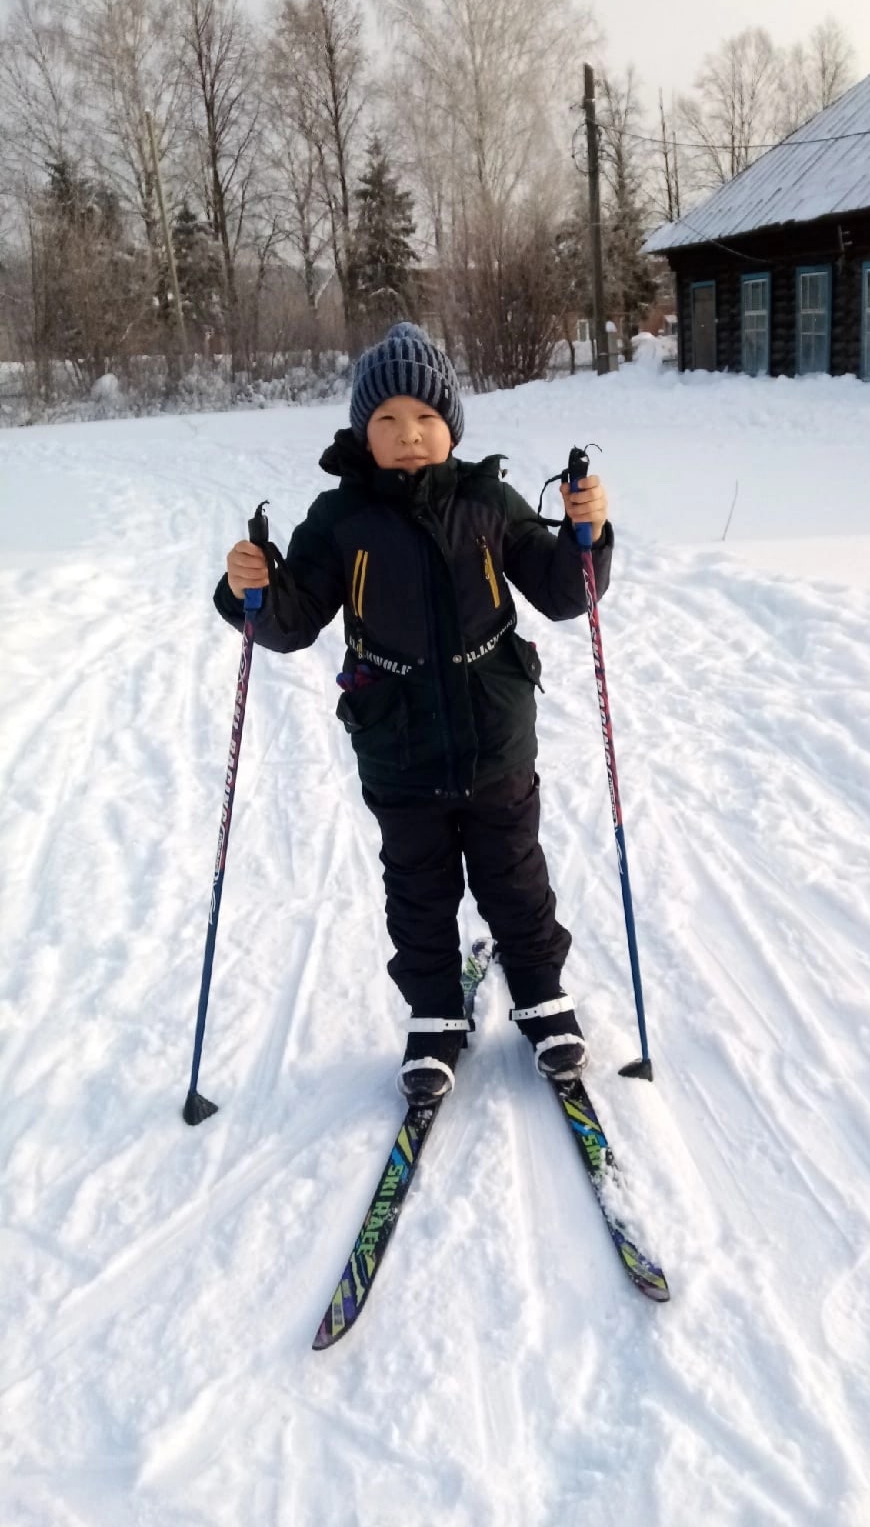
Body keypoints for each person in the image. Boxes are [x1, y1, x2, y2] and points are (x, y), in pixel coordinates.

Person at [214, 321, 612, 1104]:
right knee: (418, 887)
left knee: (515, 878)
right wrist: (249, 589)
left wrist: (586, 535)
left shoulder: (489, 501)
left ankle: (542, 998)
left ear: (450, 426)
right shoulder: (342, 519)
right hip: (396, 743)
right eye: (388, 421)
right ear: (365, 430)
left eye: (425, 419)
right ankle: (433, 1014)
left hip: (495, 733)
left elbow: (569, 593)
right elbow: (290, 623)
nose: (408, 435)